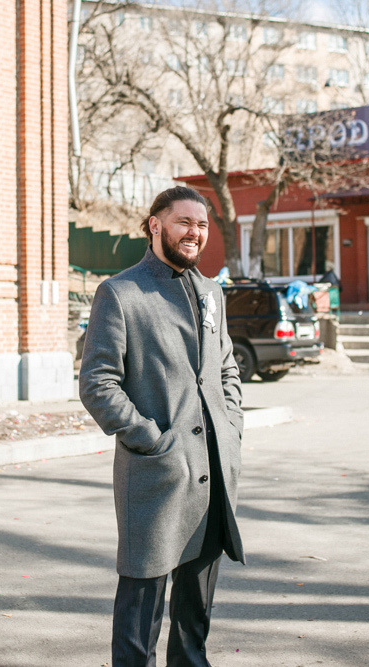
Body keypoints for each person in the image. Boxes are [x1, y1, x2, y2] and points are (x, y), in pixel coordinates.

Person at [79, 186, 246, 667]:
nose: (195, 233)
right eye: (183, 222)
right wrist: (152, 440)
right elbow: (97, 383)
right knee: (139, 622)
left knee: (195, 622)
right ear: (155, 224)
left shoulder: (212, 291)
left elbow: (226, 368)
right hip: (156, 475)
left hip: (213, 476)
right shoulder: (120, 292)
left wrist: (230, 426)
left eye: (202, 225)